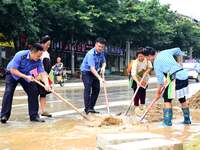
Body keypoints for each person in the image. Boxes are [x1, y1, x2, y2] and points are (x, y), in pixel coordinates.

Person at [0, 43, 51, 123]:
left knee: (34, 91)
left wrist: (46, 84)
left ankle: (34, 116)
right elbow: (13, 70)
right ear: (32, 52)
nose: (39, 57)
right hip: (12, 74)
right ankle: (4, 115)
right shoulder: (20, 55)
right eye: (38, 55)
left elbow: (43, 73)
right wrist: (26, 77)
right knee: (8, 92)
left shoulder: (38, 60)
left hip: (26, 75)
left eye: (40, 56)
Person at [145, 47, 191, 126]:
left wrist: (158, 93)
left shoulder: (156, 63)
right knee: (182, 99)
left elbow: (160, 82)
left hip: (176, 78)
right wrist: (180, 62)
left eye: (147, 58)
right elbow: (179, 50)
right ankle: (187, 120)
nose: (148, 60)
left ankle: (167, 122)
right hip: (183, 75)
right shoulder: (164, 52)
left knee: (167, 99)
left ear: (149, 55)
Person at [80, 37, 106, 114]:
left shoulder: (101, 53)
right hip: (87, 72)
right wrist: (100, 78)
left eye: (102, 47)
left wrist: (103, 67)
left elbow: (104, 61)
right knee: (87, 89)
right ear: (95, 45)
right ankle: (87, 109)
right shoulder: (91, 54)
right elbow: (92, 68)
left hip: (95, 72)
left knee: (96, 89)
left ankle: (91, 107)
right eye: (99, 46)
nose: (100, 48)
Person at [131, 49, 152, 114]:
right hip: (136, 79)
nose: (141, 57)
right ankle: (136, 106)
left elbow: (150, 67)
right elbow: (133, 73)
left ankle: (143, 105)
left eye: (142, 56)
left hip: (144, 78)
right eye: (139, 56)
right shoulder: (135, 62)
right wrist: (137, 82)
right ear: (137, 56)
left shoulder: (147, 60)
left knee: (143, 91)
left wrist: (146, 72)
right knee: (136, 92)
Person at [38, 35, 52, 117]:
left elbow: (47, 68)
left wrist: (47, 79)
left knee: (43, 94)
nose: (48, 46)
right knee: (35, 93)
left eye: (49, 44)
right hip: (38, 77)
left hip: (45, 76)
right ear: (42, 44)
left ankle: (43, 111)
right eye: (47, 44)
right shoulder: (39, 53)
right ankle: (34, 112)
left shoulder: (46, 53)